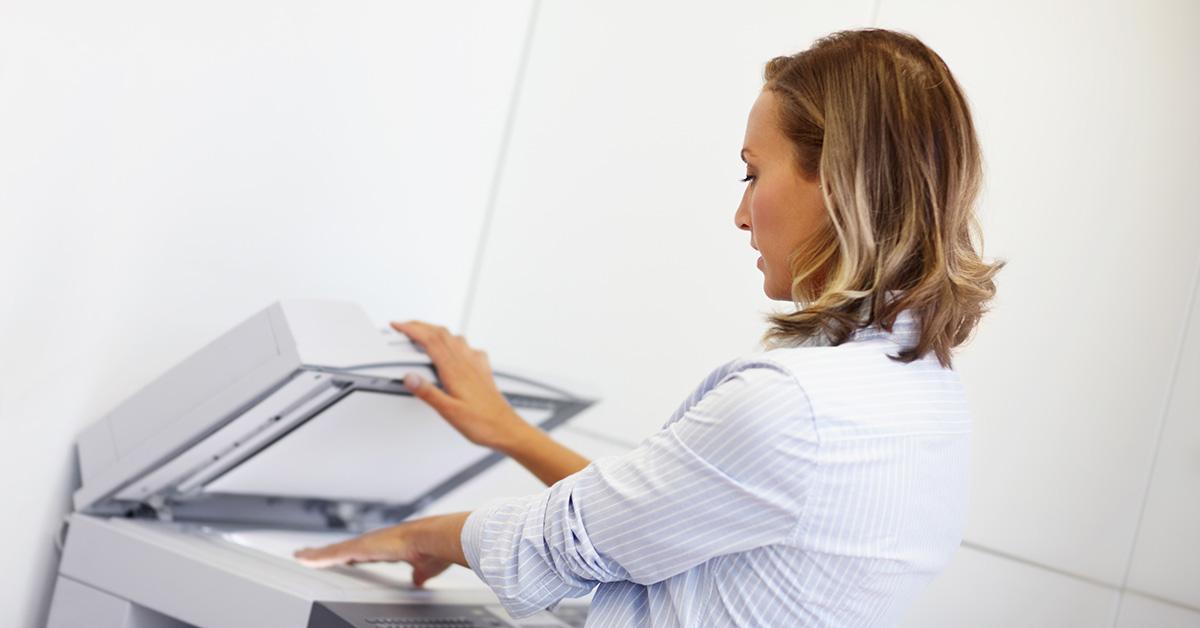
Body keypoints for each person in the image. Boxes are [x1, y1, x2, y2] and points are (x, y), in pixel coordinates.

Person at [295, 27, 1003, 626]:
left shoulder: (794, 407)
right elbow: (656, 520)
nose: (741, 213)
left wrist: (418, 536)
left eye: (751, 174)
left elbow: (552, 549)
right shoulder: (924, 396)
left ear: (840, 179)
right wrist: (507, 430)